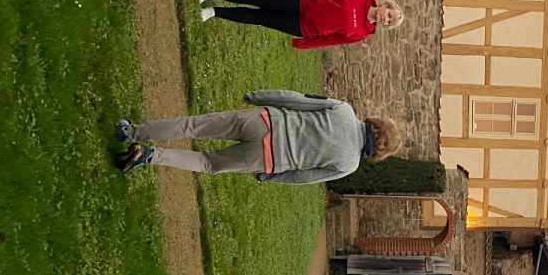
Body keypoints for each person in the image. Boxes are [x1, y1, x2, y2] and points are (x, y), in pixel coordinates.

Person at [114, 89, 400, 180]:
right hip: (267, 158)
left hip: (266, 122)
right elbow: (304, 177)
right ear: (379, 152)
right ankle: (150, 155)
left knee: (194, 126)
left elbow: (297, 100)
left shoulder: (344, 110)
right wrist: (270, 176)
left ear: (375, 123)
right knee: (207, 163)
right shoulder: (349, 165)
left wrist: (258, 96)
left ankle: (132, 131)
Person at [197, 0, 404, 49]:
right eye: (389, 15)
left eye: (388, 22)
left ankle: (215, 12)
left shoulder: (362, 34)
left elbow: (330, 40)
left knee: (260, 18)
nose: (385, 19)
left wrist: (304, 43)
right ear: (385, 5)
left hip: (302, 27)